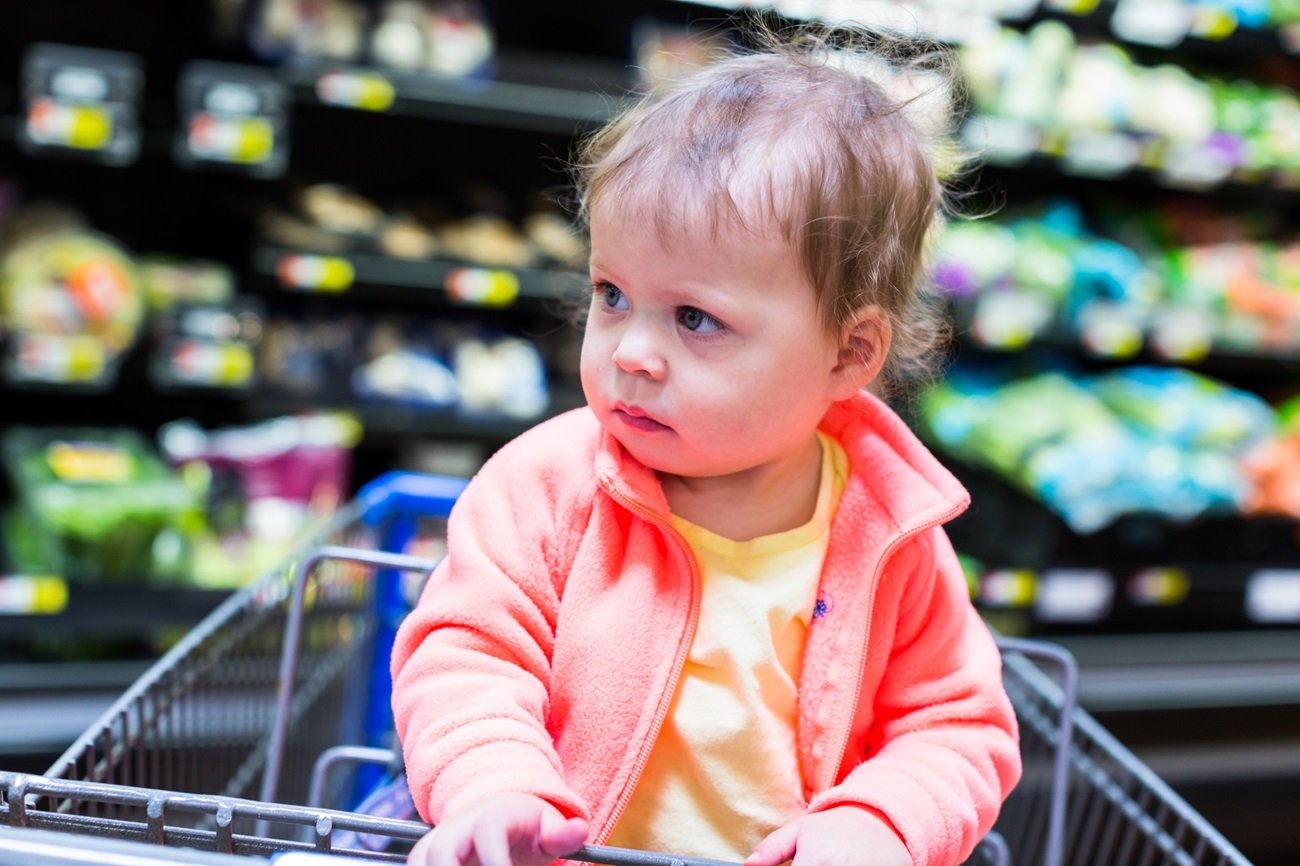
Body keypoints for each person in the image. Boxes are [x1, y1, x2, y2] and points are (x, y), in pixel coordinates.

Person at [391, 23, 1021, 866]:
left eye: (695, 319)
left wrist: (876, 823)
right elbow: (469, 653)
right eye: (612, 295)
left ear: (849, 352)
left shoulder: (890, 535)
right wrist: (495, 786)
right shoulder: (545, 488)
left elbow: (954, 725)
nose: (631, 352)